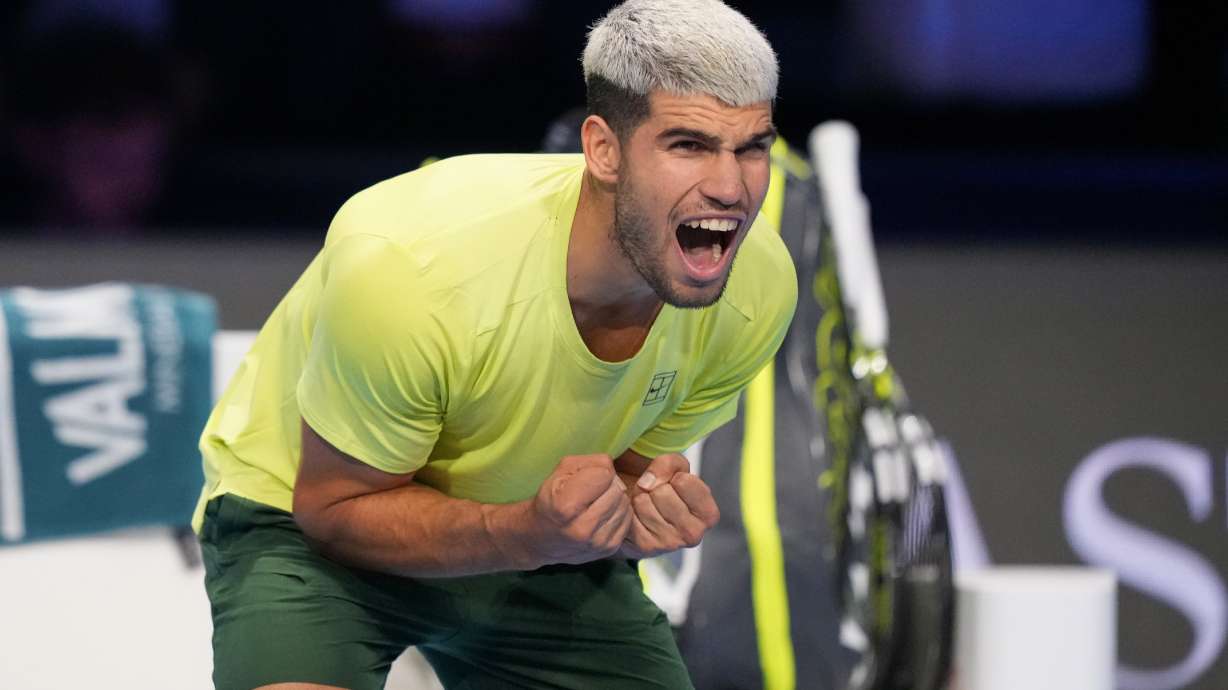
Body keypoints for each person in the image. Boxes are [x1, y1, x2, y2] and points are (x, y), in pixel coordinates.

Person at [193, 1, 795, 688]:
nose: (729, 188)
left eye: (752, 148)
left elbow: (623, 473)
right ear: (603, 149)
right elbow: (334, 512)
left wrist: (635, 510)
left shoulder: (756, 288)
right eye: (688, 145)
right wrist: (527, 532)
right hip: (312, 527)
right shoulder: (411, 266)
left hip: (536, 541)